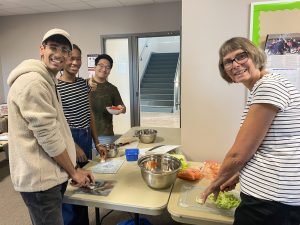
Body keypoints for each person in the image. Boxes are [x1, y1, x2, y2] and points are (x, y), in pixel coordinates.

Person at [201, 37, 300, 225]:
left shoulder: (268, 86)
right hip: (277, 196)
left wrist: (215, 183)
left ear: (254, 56)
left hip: (270, 200)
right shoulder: (266, 85)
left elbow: (239, 153)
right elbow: (267, 145)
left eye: (241, 56)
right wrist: (236, 176)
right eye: (228, 61)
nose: (235, 64)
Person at [6, 28, 94, 225]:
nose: (59, 54)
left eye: (64, 50)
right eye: (53, 47)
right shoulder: (34, 82)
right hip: (41, 182)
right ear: (41, 50)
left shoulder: (48, 81)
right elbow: (49, 137)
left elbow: (57, 128)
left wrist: (73, 168)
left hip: (50, 173)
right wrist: (74, 172)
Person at [56, 43, 106, 225]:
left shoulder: (84, 85)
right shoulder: (56, 87)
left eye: (79, 58)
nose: (75, 62)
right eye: (71, 58)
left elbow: (89, 113)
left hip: (85, 136)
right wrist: (72, 145)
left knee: (85, 185)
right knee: (70, 187)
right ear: (63, 59)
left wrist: (97, 142)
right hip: (68, 138)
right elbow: (57, 124)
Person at [90, 54, 126, 145]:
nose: (104, 69)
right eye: (101, 65)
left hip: (105, 135)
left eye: (107, 67)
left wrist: (120, 109)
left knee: (105, 159)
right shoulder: (84, 84)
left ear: (110, 71)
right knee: (87, 159)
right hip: (85, 134)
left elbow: (123, 108)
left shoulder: (112, 89)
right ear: (95, 67)